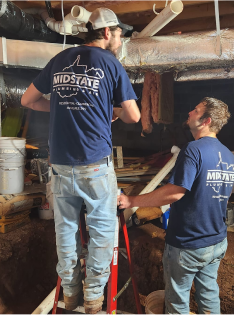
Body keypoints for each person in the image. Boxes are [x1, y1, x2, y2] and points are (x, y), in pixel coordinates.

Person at [21, 8, 140, 314]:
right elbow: (134, 115)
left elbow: (27, 100)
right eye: (117, 33)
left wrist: (61, 106)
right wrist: (109, 111)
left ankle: (71, 291)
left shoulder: (60, 59)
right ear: (105, 33)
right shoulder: (110, 63)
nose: (119, 38)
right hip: (94, 164)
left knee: (66, 229)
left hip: (60, 164)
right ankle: (93, 295)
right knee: (101, 231)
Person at [118, 97, 234, 315]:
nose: (190, 113)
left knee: (177, 302)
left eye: (196, 110)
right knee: (208, 295)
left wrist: (131, 201)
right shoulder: (228, 155)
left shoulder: (193, 150)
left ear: (206, 120)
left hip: (188, 244)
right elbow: (223, 198)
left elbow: (174, 192)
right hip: (217, 241)